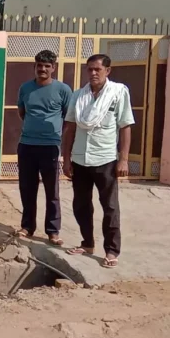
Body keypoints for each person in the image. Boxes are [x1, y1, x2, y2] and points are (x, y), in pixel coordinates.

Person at [62, 54, 134, 269]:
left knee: (110, 207)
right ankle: (87, 243)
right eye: (90, 69)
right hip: (80, 160)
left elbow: (125, 126)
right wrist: (66, 160)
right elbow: (70, 129)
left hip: (106, 160)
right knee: (81, 205)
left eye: (97, 69)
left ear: (107, 71)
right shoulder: (78, 95)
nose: (93, 73)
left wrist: (124, 159)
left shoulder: (118, 93)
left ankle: (111, 251)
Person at [14, 50, 72, 246]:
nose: (43, 69)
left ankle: (53, 231)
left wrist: (54, 134)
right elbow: (22, 112)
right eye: (39, 65)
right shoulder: (25, 88)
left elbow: (68, 118)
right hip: (27, 145)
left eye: (47, 66)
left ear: (53, 67)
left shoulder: (63, 90)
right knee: (27, 189)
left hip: (50, 147)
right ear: (35, 67)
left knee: (51, 191)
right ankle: (27, 226)